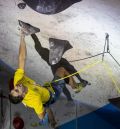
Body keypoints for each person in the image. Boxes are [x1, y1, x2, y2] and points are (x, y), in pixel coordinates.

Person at [9, 20, 88, 128]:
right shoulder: (34, 101)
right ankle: (75, 87)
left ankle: (53, 124)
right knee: (61, 70)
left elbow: (21, 58)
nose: (16, 86)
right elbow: (41, 115)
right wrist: (43, 120)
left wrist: (22, 36)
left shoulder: (17, 81)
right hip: (52, 94)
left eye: (13, 89)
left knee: (46, 105)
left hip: (44, 92)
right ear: (22, 95)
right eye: (16, 90)